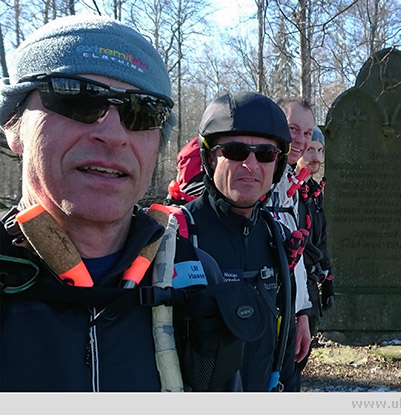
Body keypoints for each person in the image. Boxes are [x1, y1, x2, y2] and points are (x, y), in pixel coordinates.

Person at [0, 16, 254, 392]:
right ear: (13, 126)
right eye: (77, 98)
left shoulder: (198, 277)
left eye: (142, 112)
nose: (113, 135)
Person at [183, 91, 296, 392]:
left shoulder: (277, 238)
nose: (251, 164)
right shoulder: (177, 236)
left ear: (277, 165)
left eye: (265, 154)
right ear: (209, 158)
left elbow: (284, 344)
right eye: (234, 151)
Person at [269, 98, 315, 391]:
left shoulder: (290, 183)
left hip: (288, 318)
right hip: (264, 320)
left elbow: (295, 259)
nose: (300, 140)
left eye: (308, 132)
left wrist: (302, 314)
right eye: (293, 129)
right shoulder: (260, 177)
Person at [294, 126, 335, 376]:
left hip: (310, 285)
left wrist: (329, 278)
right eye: (310, 149)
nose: (316, 157)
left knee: (300, 360)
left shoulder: (313, 192)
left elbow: (320, 240)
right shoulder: (288, 192)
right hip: (295, 288)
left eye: (320, 150)